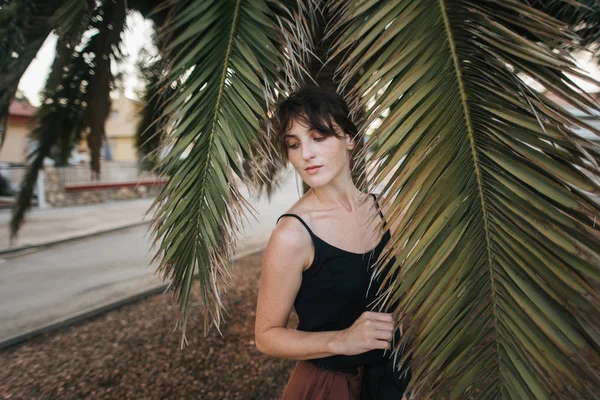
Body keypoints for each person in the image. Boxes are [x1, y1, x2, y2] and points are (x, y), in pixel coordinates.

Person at [254, 86, 411, 399]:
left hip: (396, 379)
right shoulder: (292, 234)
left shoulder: (387, 211)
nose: (305, 154)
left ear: (350, 139)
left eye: (319, 137)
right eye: (293, 144)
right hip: (331, 387)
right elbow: (266, 336)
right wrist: (340, 340)